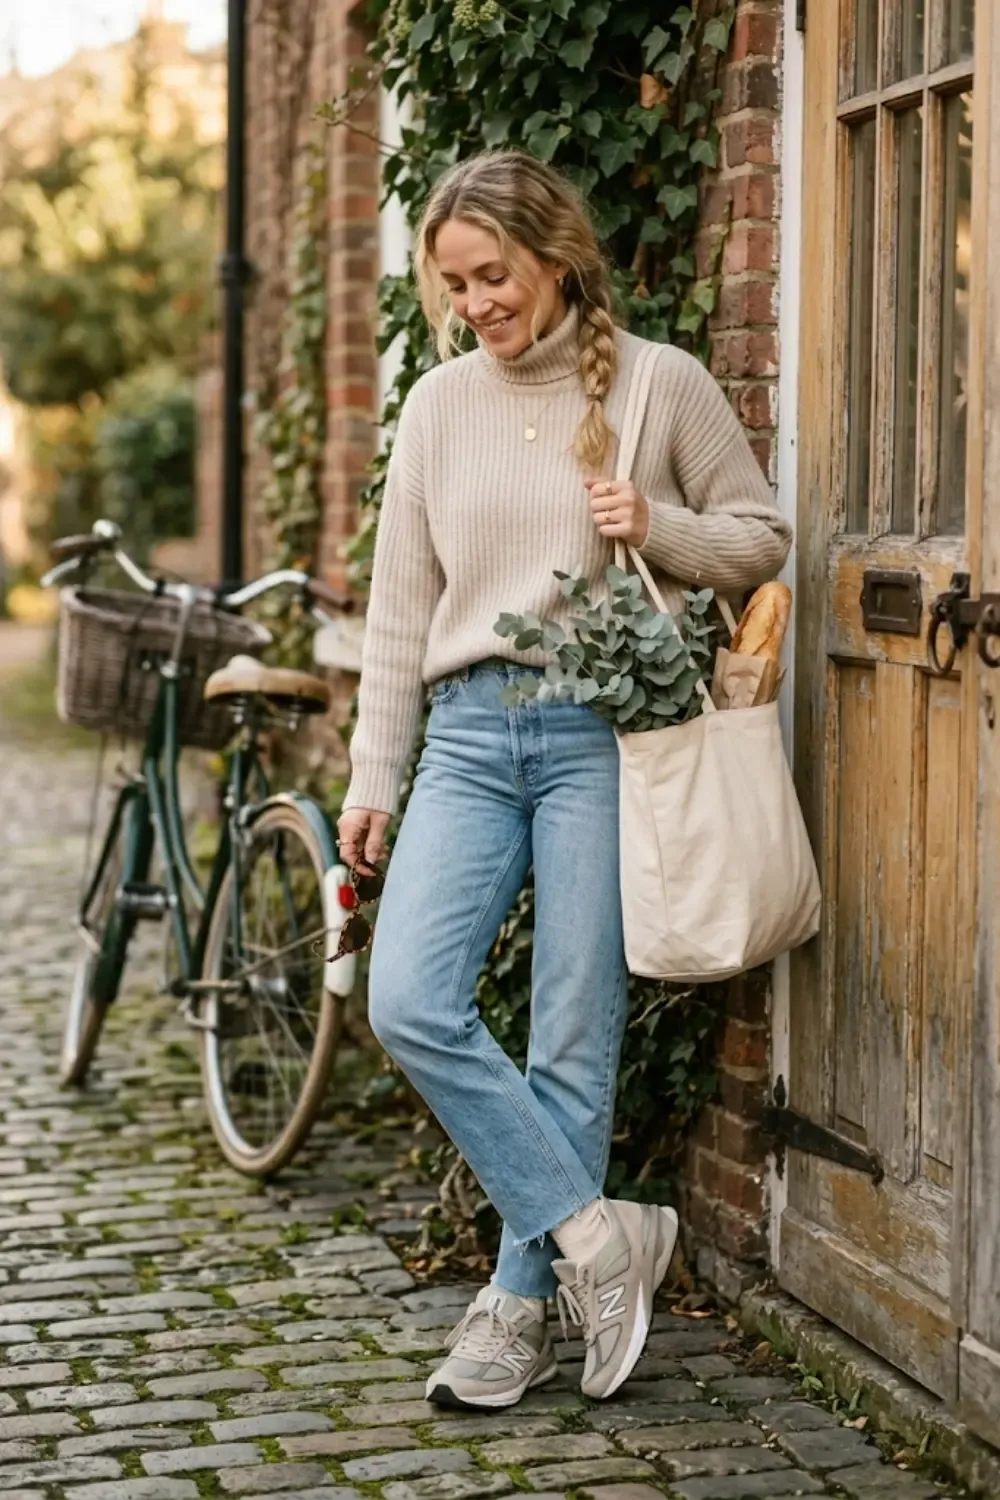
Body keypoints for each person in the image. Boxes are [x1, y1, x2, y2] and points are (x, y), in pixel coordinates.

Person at [337, 150, 791, 1411]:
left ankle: (517, 1305)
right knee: (411, 999)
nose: (476, 303)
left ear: (556, 257)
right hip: (472, 737)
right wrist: (376, 776)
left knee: (572, 1036)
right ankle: (601, 1237)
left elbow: (760, 538)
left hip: (604, 738)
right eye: (455, 284)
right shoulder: (434, 407)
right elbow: (396, 612)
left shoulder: (659, 384)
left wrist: (657, 527)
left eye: (494, 276)